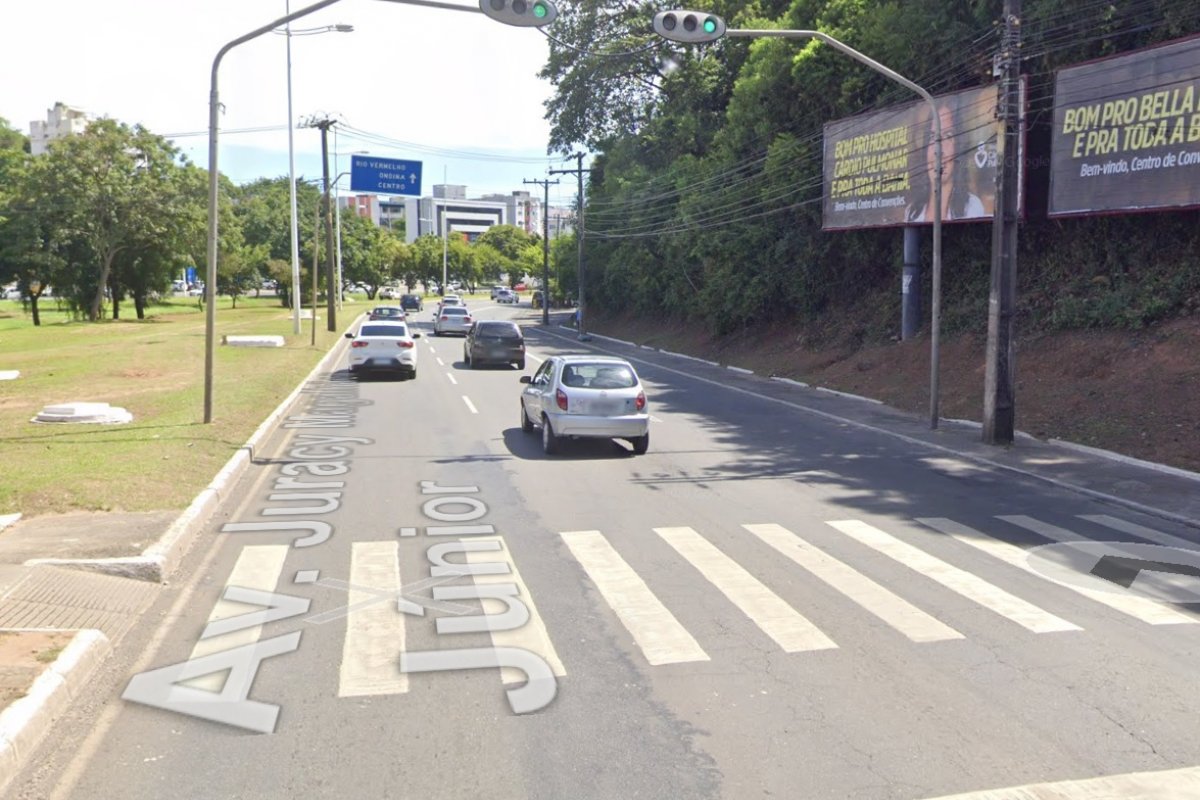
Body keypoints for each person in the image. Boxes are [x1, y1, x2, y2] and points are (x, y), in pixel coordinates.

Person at [906, 96, 985, 223]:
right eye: (933, 137)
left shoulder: (972, 208)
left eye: (948, 136)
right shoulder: (912, 212)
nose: (939, 150)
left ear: (958, 147)